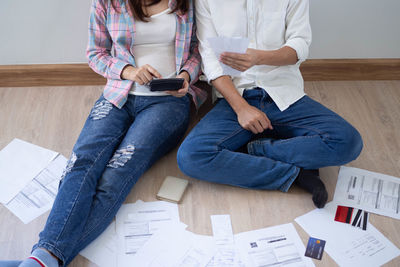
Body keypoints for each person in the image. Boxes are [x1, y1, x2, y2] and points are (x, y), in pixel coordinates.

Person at [1, 0, 205, 266]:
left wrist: (186, 75)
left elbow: (199, 51)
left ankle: (41, 258)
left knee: (118, 170)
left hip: (167, 102)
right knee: (81, 162)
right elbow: (95, 53)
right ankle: (43, 259)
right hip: (117, 94)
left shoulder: (187, 4)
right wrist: (129, 71)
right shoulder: (107, 3)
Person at [177, 0, 363, 209]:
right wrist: (242, 108)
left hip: (284, 94)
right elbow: (210, 59)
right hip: (236, 96)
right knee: (191, 156)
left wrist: (259, 57)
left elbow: (300, 45)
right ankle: (296, 175)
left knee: (348, 141)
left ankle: (255, 149)